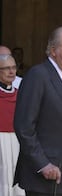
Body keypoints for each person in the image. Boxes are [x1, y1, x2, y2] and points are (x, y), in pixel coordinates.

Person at [13, 26, 62, 196]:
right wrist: (42, 164)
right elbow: (24, 126)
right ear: (54, 51)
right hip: (47, 177)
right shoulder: (37, 76)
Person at [0, 54, 25, 196]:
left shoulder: (21, 94)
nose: (11, 72)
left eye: (14, 68)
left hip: (17, 142)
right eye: (7, 68)